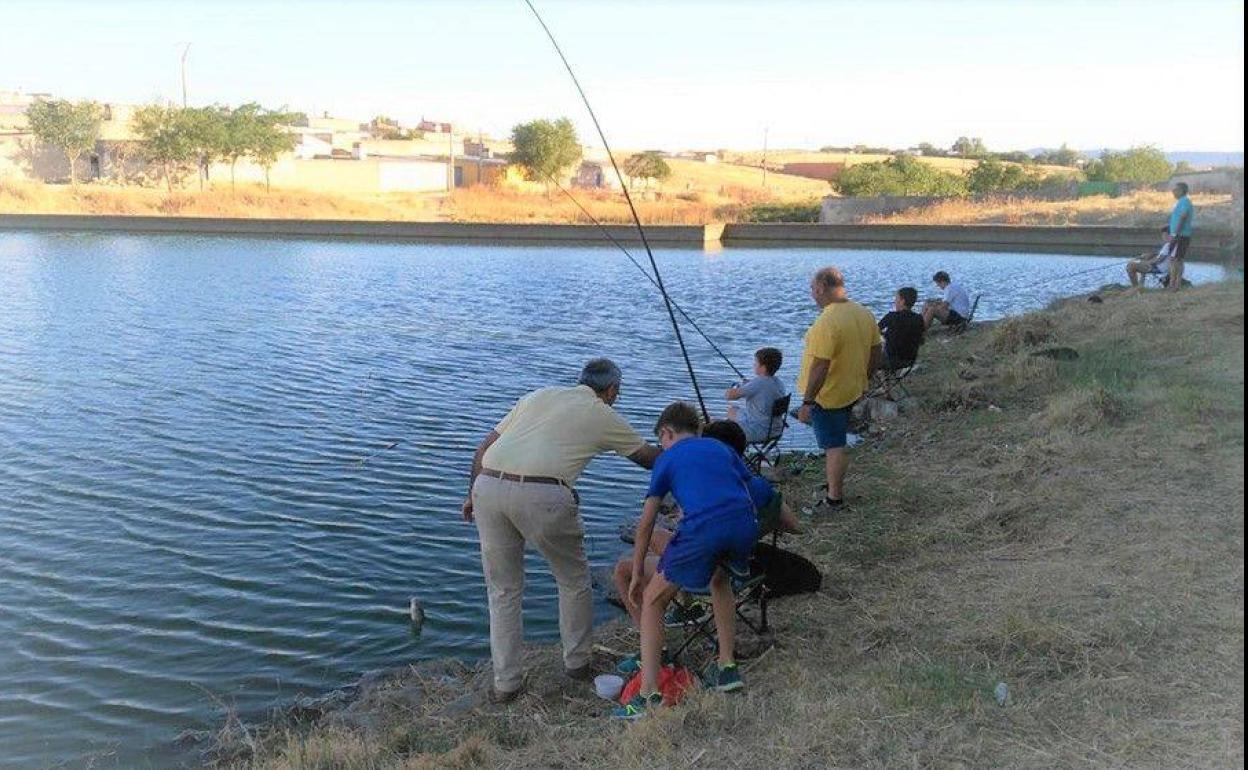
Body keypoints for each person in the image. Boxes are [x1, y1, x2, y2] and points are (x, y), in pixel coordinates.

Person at [463, 358, 660, 704]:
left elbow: (482, 449)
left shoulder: (538, 395)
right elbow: (648, 458)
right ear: (612, 390)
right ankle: (577, 663)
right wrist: (690, 449)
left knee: (503, 591)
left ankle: (505, 684)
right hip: (544, 495)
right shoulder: (601, 412)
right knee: (572, 580)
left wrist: (471, 496)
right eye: (618, 391)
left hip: (488, 486)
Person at [614, 403, 759, 719]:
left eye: (661, 440)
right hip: (744, 526)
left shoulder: (666, 459)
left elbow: (646, 524)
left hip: (705, 529)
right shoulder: (720, 448)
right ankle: (727, 668)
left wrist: (638, 571)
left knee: (652, 600)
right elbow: (754, 488)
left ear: (666, 433)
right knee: (720, 580)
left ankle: (648, 695)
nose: (662, 447)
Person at [608, 421, 799, 651]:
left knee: (623, 569)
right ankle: (682, 607)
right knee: (658, 536)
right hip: (739, 564)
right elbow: (793, 525)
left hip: (709, 572)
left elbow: (690, 539)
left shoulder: (705, 490)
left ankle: (651, 645)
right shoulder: (757, 486)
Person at [795, 267, 883, 514]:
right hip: (851, 390)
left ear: (821, 288)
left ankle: (834, 499)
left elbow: (820, 366)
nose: (812, 294)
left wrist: (808, 402)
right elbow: (877, 350)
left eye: (812, 289)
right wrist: (865, 377)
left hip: (828, 396)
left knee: (834, 446)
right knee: (837, 441)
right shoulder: (864, 312)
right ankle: (834, 483)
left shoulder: (827, 320)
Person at [724, 347, 787, 442]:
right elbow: (761, 389)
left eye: (756, 363)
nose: (754, 365)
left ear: (763, 367)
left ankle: (735, 445)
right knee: (734, 410)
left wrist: (733, 388)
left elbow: (729, 396)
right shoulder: (778, 383)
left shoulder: (758, 382)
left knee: (729, 415)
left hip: (759, 430)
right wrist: (749, 384)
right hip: (775, 429)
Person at [877, 286, 925, 369]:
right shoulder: (919, 319)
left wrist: (883, 335)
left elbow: (874, 331)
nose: (894, 301)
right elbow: (921, 340)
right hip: (909, 360)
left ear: (902, 301)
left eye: (896, 299)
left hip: (891, 361)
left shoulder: (891, 317)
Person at [1166, 182, 1195, 292]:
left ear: (1182, 191)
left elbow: (1183, 217)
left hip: (1181, 236)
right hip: (1179, 235)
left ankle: (1175, 285)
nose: (1173, 191)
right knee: (1175, 260)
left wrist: (1175, 234)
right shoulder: (1181, 202)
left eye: (1176, 189)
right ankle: (1173, 284)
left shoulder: (1185, 201)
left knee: (1176, 260)